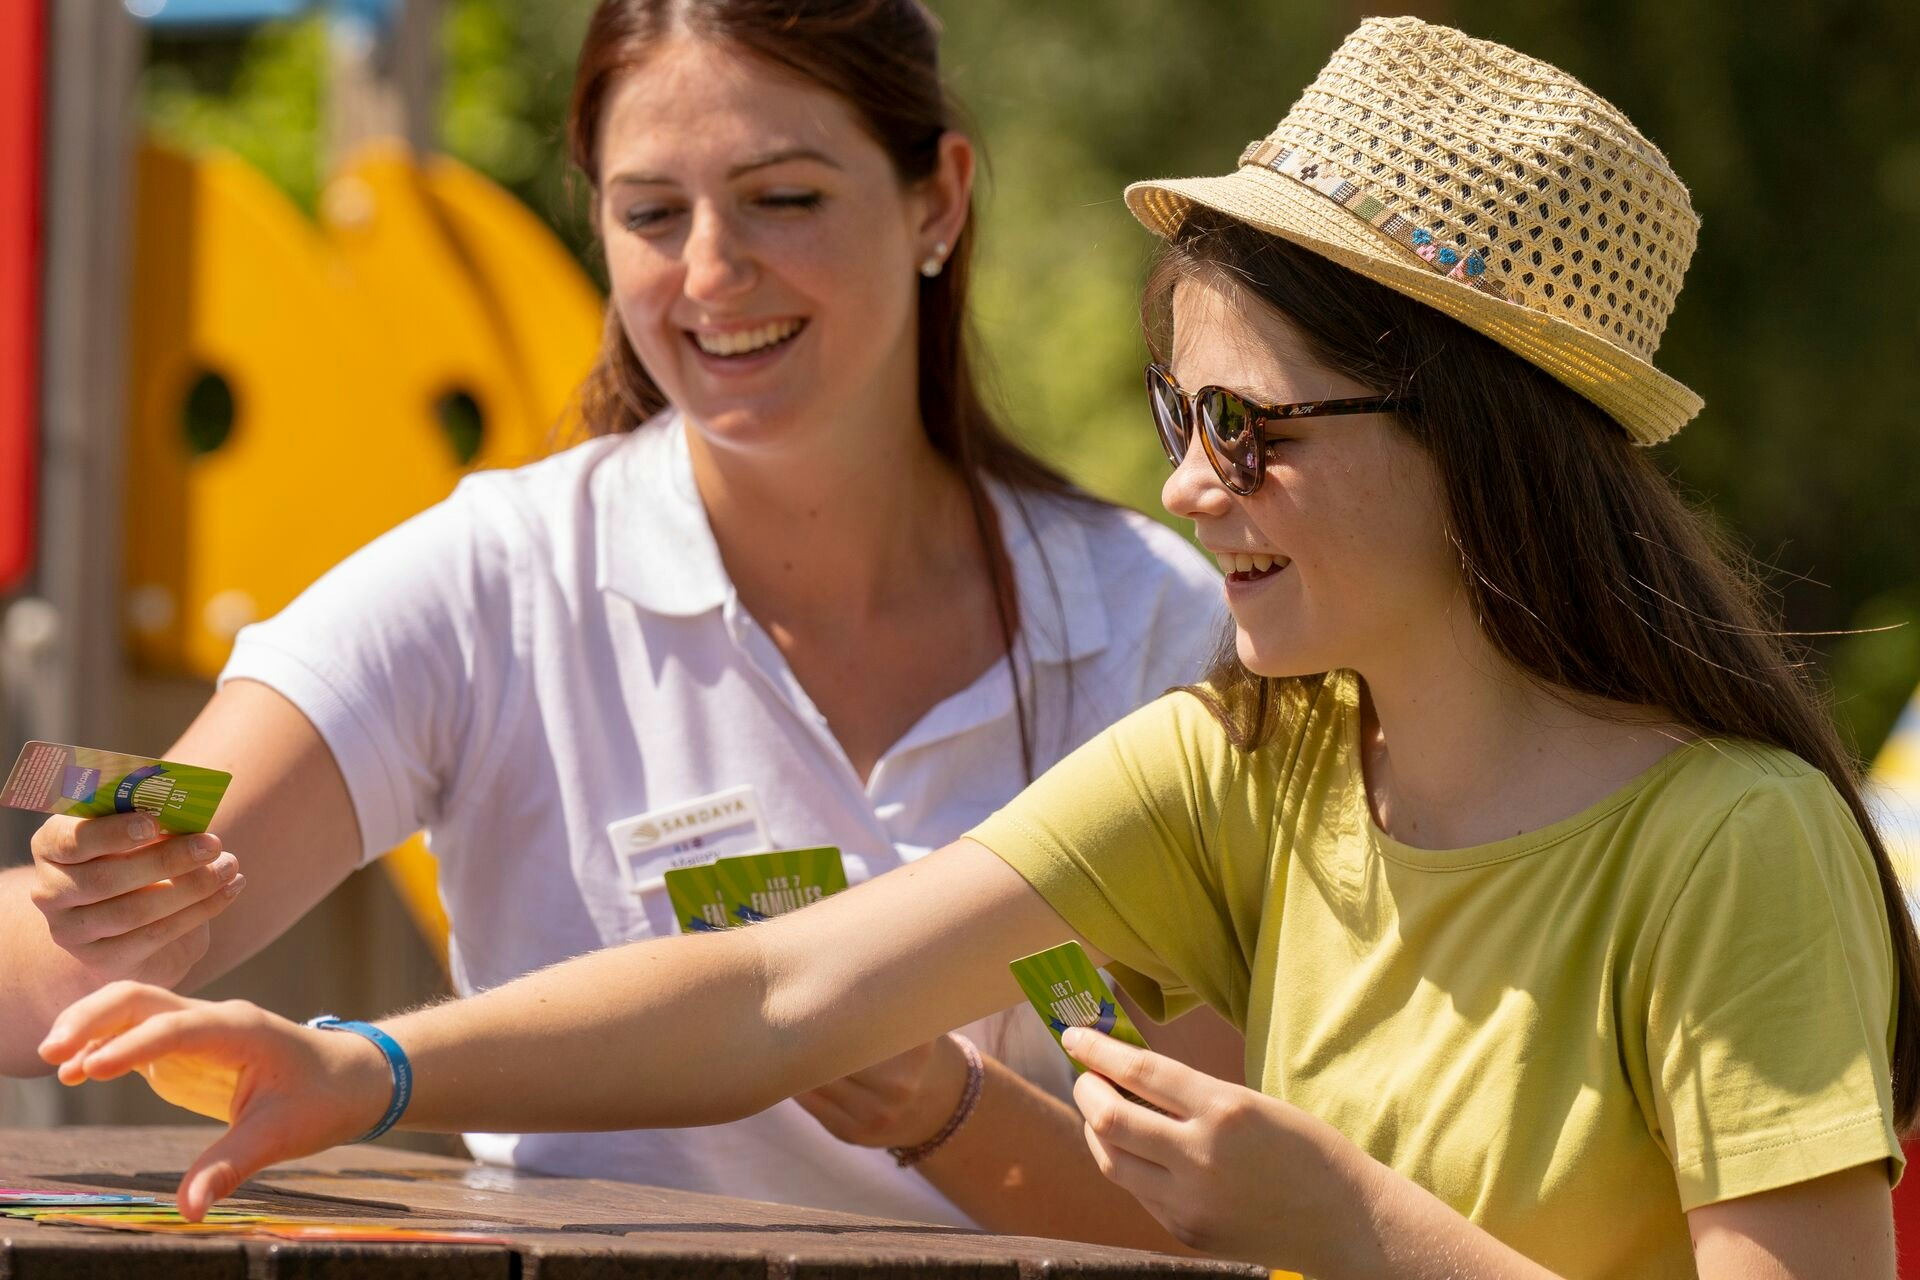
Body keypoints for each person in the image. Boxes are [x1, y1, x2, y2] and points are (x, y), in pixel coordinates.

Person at [40, 16, 1915, 1279]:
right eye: (1179, 420)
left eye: (1248, 428)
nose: (1187, 488)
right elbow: (777, 992)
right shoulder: (1240, 762)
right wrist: (362, 1066)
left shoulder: (1733, 844)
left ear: (1478, 440)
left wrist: (1346, 1221)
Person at [1, 0, 1234, 1241]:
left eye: (784, 198)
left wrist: (944, 1106)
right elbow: (69, 962)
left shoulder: (1150, 623)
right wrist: (97, 897)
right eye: (651, 213)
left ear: (939, 199)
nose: (711, 271)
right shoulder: (495, 576)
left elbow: (1214, 1212)